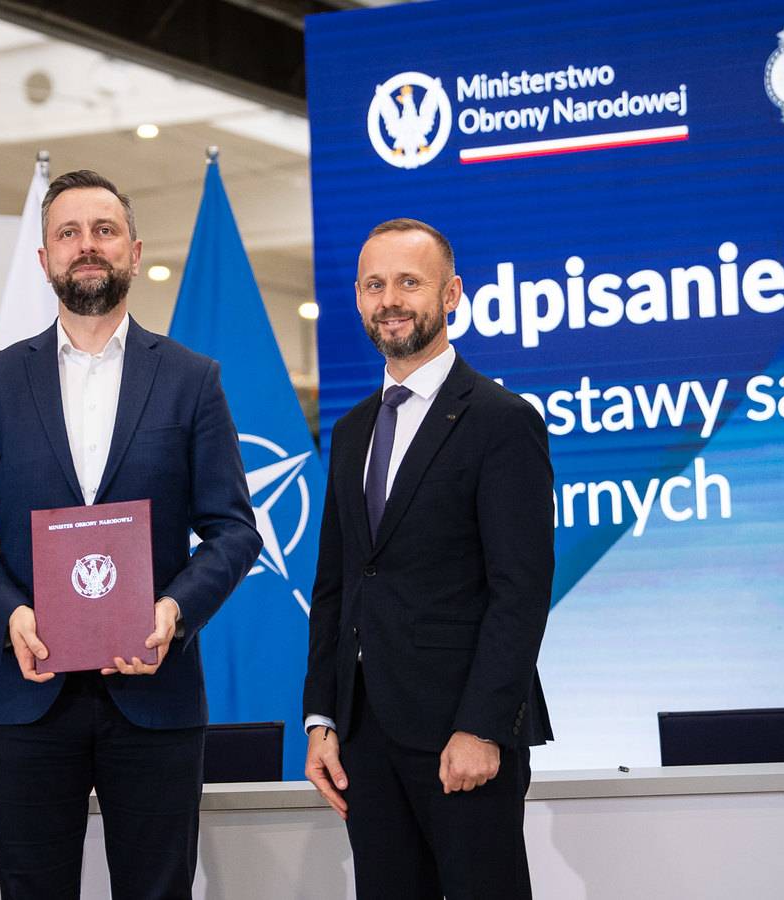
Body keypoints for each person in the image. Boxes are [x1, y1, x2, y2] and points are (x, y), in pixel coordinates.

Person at [0, 169, 261, 899]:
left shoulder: (192, 379)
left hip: (155, 689)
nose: (87, 245)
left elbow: (234, 530)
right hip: (26, 690)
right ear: (44, 257)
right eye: (68, 233)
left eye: (104, 231)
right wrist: (10, 616)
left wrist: (173, 612)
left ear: (134, 252)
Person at [302, 219, 554, 898]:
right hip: (364, 741)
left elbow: (521, 591)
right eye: (374, 285)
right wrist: (322, 718)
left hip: (461, 737)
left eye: (409, 282)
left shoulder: (502, 420)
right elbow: (336, 587)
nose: (390, 300)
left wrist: (482, 727)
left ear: (451, 295)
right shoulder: (351, 431)